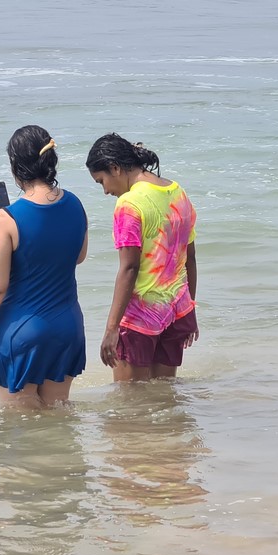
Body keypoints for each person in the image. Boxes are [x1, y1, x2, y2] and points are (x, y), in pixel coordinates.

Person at [0, 125, 88, 408]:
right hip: (67, 327)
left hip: (21, 332)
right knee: (58, 422)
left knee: (21, 435)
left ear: (15, 166)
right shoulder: (76, 204)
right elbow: (78, 256)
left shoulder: (6, 218)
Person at [85, 133, 198, 381]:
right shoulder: (177, 192)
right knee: (162, 397)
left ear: (115, 168)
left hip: (140, 318)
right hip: (176, 311)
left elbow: (129, 268)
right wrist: (190, 311)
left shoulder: (129, 204)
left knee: (130, 405)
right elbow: (189, 257)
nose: (105, 191)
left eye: (101, 181)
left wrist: (111, 329)